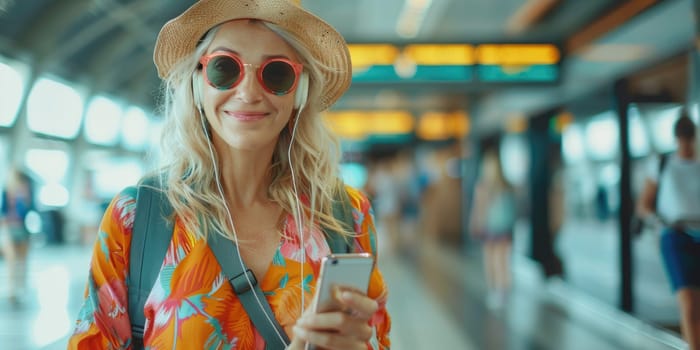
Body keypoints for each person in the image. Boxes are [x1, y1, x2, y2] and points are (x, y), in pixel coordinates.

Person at [68, 0, 391, 349]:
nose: (249, 93)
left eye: (276, 73)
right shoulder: (136, 217)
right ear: (196, 84)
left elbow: (376, 339)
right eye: (225, 68)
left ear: (300, 91)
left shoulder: (345, 215)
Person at [637, 111, 700, 349]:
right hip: (675, 236)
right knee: (688, 301)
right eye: (682, 139)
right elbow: (644, 204)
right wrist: (660, 220)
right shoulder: (663, 164)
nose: (685, 144)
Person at [469, 149, 517, 309]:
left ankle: (495, 292)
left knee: (491, 261)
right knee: (503, 262)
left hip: (490, 229)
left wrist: (475, 224)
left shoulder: (483, 186)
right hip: (506, 229)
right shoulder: (507, 184)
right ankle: (504, 292)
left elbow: (479, 209)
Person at [0, 167, 34, 306]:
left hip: (23, 229)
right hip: (9, 229)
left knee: (22, 261)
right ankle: (12, 290)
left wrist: (24, 197)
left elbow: (29, 210)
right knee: (12, 260)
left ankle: (21, 288)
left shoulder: (26, 192)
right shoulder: (6, 192)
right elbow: (3, 211)